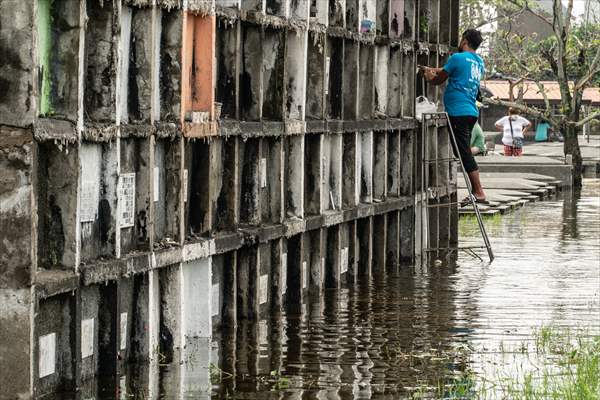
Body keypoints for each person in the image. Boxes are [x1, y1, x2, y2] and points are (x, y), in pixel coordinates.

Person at [420, 29, 487, 204]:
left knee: (463, 152)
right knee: (460, 151)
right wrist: (434, 68)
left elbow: (439, 79)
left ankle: (479, 191)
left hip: (458, 111)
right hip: (471, 112)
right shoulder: (479, 62)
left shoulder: (457, 58)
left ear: (464, 40)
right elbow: (451, 69)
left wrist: (429, 77)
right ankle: (477, 189)